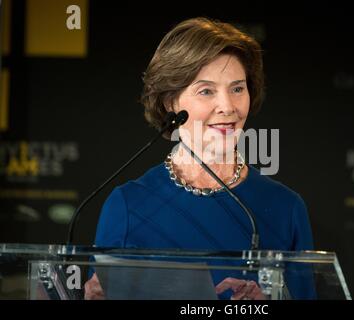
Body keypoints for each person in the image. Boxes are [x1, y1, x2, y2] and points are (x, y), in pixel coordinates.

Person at [84, 17, 314, 300]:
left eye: (237, 88)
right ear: (171, 101)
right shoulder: (128, 206)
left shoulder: (285, 208)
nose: (228, 106)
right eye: (206, 91)